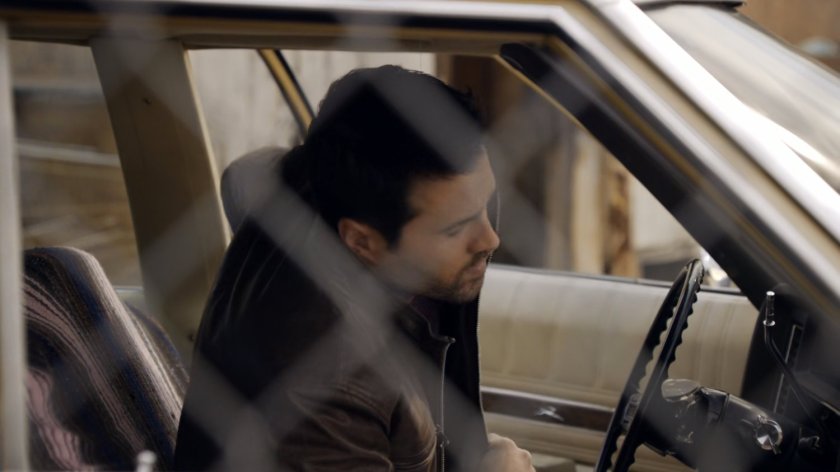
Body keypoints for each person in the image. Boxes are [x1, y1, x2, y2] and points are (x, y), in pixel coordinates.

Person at [174, 65, 534, 471]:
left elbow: (247, 172)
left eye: (486, 203)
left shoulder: (314, 188)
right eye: (456, 228)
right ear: (363, 241)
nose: (490, 240)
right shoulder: (327, 390)